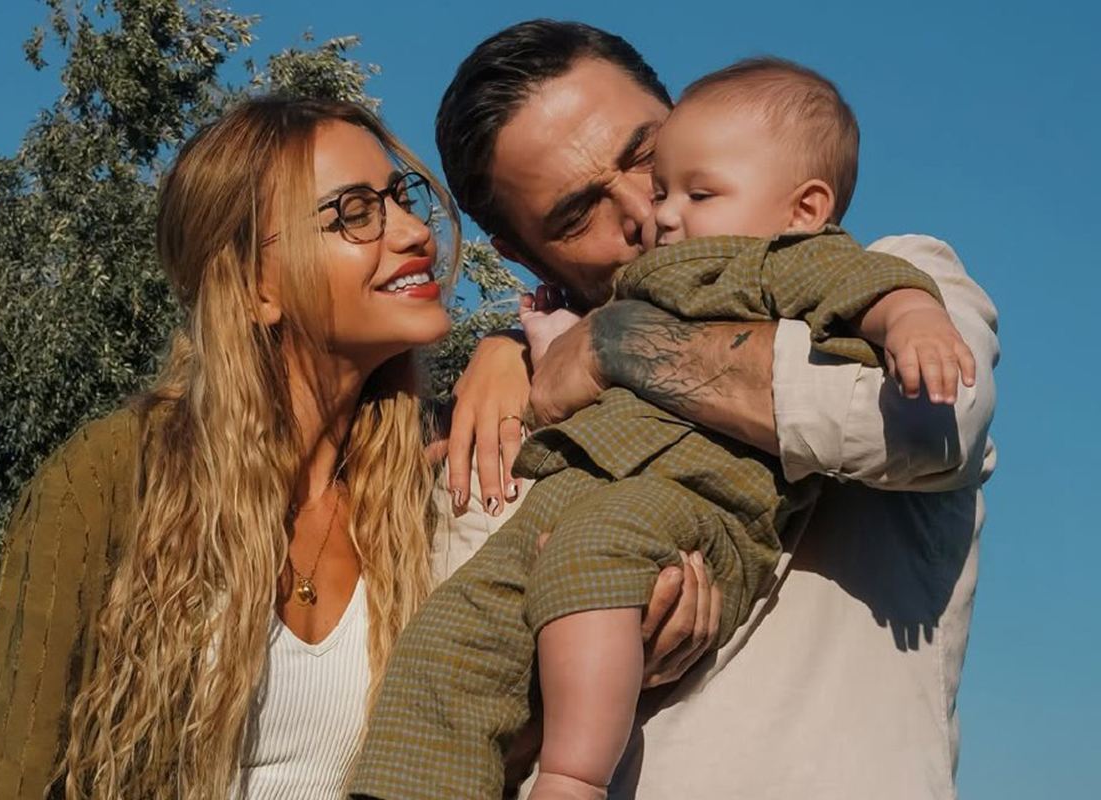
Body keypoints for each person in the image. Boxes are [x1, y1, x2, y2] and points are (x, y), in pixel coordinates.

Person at [353, 57, 973, 800]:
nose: (649, 213)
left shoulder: (878, 272)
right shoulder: (498, 421)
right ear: (519, 255)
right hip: (581, 501)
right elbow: (478, 690)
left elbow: (922, 425)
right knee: (449, 634)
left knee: (596, 545)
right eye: (578, 212)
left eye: (647, 158)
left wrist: (611, 345)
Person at [0, 96, 461, 800]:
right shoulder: (114, 477)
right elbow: (1, 774)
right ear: (254, 287)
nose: (413, 232)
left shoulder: (425, 478)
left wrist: (510, 357)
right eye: (353, 213)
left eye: (401, 197)